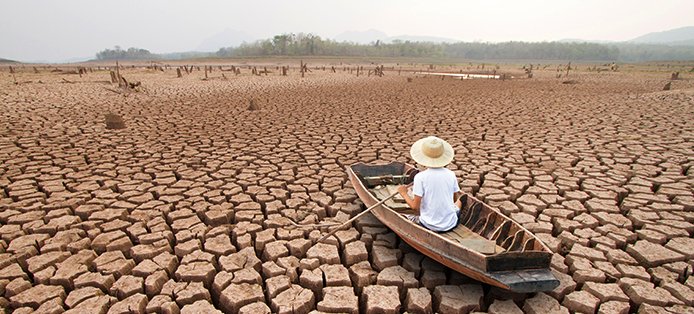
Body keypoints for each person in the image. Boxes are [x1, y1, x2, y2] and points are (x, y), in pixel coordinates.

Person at [397, 136, 463, 232]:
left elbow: (415, 207)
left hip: (428, 225)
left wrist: (403, 193)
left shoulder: (420, 177)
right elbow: (454, 200)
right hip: (451, 224)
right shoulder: (451, 174)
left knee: (406, 216)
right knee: (459, 202)